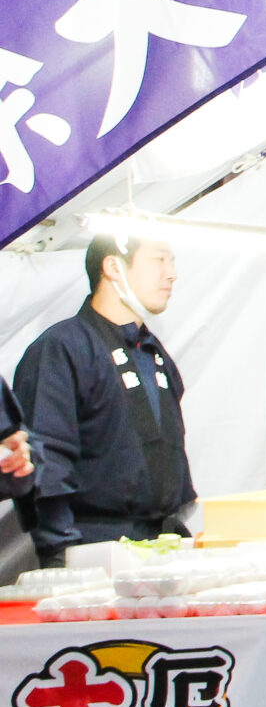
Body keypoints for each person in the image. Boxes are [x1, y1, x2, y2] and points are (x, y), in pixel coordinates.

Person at [16, 235, 196, 565]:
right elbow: (44, 458)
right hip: (92, 550)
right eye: (159, 259)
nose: (171, 274)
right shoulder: (62, 348)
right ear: (113, 267)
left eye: (172, 261)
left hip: (163, 548)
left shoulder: (155, 354)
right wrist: (62, 554)